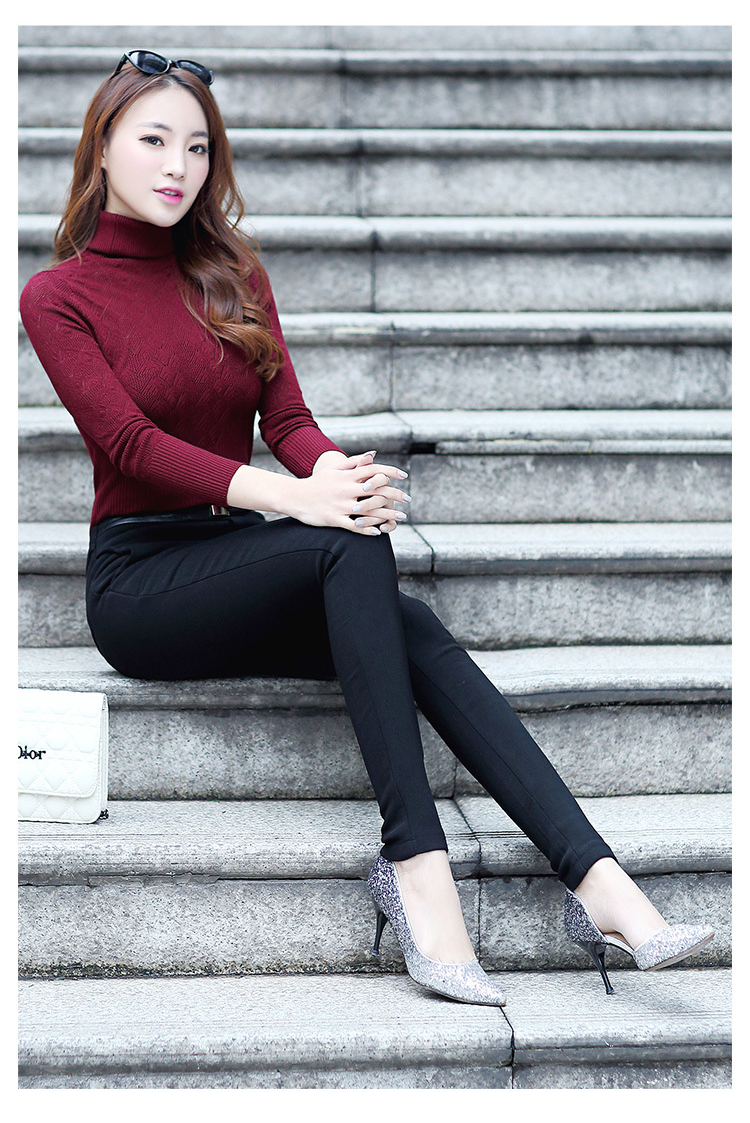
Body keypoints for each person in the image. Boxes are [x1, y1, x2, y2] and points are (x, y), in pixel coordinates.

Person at [19, 50, 715, 1006]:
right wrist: (298, 500)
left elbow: (288, 421)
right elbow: (131, 444)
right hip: (142, 585)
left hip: (238, 554)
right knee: (349, 550)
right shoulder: (57, 297)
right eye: (154, 140)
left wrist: (334, 476)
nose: (178, 165)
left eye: (198, 146)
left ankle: (597, 878)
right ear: (101, 148)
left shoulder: (232, 274)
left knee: (402, 612)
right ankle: (419, 865)